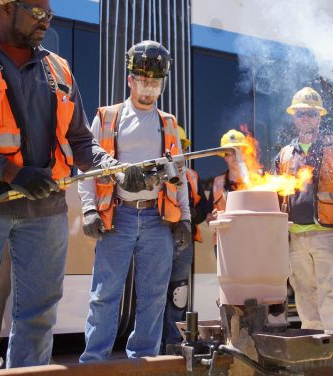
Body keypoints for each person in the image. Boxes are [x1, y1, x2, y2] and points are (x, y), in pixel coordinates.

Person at [0, 0, 131, 367]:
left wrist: (117, 168)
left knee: (39, 314)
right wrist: (8, 171)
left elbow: (82, 141)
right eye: (37, 12)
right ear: (5, 9)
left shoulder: (59, 69)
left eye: (49, 14)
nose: (46, 21)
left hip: (45, 206)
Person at [78, 40, 191, 361]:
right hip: (119, 218)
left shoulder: (167, 122)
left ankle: (143, 362)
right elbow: (87, 166)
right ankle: (93, 363)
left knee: (154, 298)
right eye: (143, 81)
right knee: (104, 295)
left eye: (155, 83)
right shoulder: (108, 118)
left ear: (163, 85)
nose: (148, 89)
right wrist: (89, 209)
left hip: (157, 220)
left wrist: (183, 218)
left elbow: (178, 175)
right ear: (130, 79)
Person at [274, 87, 333, 341]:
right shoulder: (285, 155)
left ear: (320, 117)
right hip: (296, 238)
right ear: (294, 118)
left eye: (311, 114)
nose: (305, 119)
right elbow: (278, 196)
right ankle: (315, 355)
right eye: (300, 114)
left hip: (328, 236)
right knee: (306, 299)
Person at [162, 126, 209, 348]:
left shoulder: (192, 176)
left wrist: (192, 217)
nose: (178, 150)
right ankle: (155, 339)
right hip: (160, 237)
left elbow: (201, 207)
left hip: (184, 241)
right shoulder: (156, 170)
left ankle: (173, 340)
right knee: (155, 289)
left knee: (178, 292)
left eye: (182, 146)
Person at [208, 129, 251, 221]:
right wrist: (215, 217)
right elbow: (208, 218)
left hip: (250, 233)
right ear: (224, 157)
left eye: (238, 151)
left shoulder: (256, 180)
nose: (235, 156)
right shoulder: (217, 183)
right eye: (230, 153)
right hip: (226, 234)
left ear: (244, 153)